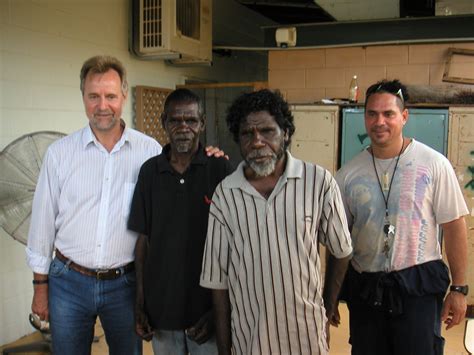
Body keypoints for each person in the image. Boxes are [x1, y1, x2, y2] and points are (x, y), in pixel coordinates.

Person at [25, 55, 223, 355]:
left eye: (110, 96)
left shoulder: (149, 152)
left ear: (123, 96)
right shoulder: (59, 154)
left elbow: (182, 169)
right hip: (69, 283)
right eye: (93, 96)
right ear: (83, 97)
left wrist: (209, 155)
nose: (102, 105)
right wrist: (40, 286)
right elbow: (42, 222)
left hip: (125, 285)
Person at [199, 89, 353, 355]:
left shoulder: (318, 183)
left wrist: (326, 313)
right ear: (238, 139)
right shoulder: (226, 194)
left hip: (306, 337)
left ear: (286, 133)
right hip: (250, 340)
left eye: (268, 131)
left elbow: (341, 251)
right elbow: (218, 281)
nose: (257, 142)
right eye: (247, 134)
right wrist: (225, 350)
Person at [335, 79, 469, 355]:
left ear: (404, 116)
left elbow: (455, 226)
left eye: (388, 114)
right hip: (366, 289)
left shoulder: (433, 165)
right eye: (372, 114)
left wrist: (459, 289)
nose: (379, 121)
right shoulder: (348, 174)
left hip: (417, 288)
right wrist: (330, 295)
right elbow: (338, 240)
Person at [128, 88, 234, 354]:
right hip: (161, 313)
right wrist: (140, 303)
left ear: (202, 123)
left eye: (191, 120)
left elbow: (236, 245)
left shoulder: (220, 170)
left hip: (207, 310)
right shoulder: (150, 172)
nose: (183, 127)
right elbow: (143, 240)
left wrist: (219, 310)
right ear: (164, 122)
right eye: (176, 120)